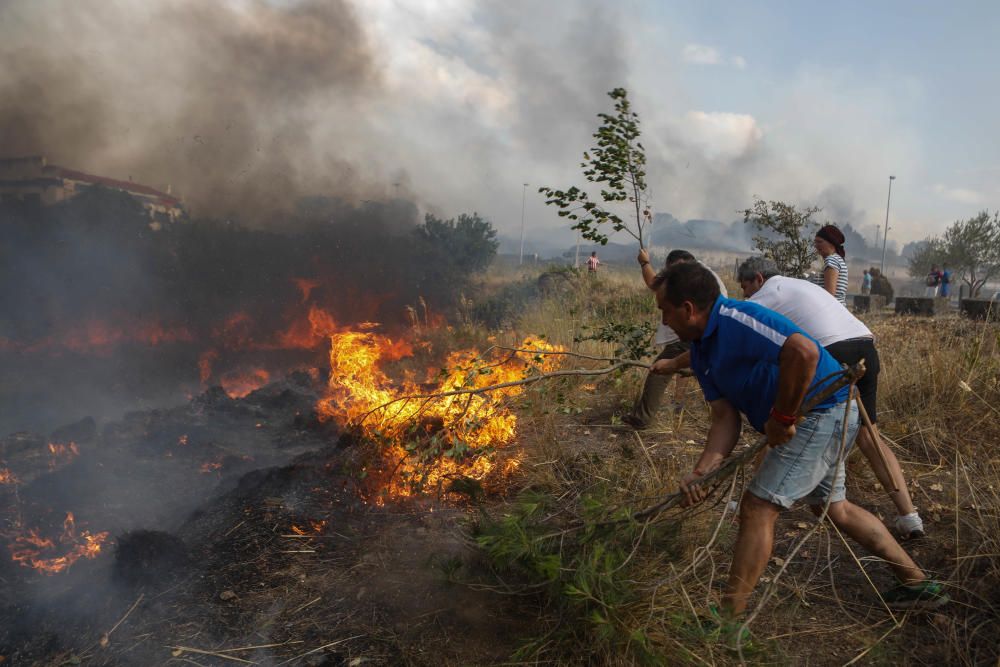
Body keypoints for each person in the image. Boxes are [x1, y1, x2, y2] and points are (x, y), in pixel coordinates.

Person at [654, 261, 947, 636]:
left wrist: (782, 417)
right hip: (826, 416)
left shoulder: (736, 319)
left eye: (665, 310)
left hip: (824, 410)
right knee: (835, 508)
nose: (664, 319)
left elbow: (804, 352)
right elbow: (724, 419)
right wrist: (704, 471)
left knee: (758, 507)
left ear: (688, 308)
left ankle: (726, 623)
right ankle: (916, 582)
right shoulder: (700, 352)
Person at [736, 257, 925, 538]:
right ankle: (909, 517)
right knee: (868, 434)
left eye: (745, 286)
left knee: (780, 419)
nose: (745, 293)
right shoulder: (799, 285)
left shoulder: (766, 293)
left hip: (833, 353)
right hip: (865, 346)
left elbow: (735, 324)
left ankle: (751, 495)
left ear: (758, 279)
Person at [621, 248, 727, 430]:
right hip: (712, 329)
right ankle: (682, 404)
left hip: (697, 329)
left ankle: (642, 419)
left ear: (680, 264)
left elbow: (654, 283)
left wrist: (645, 262)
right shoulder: (705, 274)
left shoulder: (689, 277)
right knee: (686, 364)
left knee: (660, 369)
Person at [811, 224, 849, 305]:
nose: (816, 245)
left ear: (832, 243)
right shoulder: (838, 259)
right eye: (815, 242)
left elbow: (829, 295)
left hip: (831, 312)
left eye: (820, 242)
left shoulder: (831, 260)